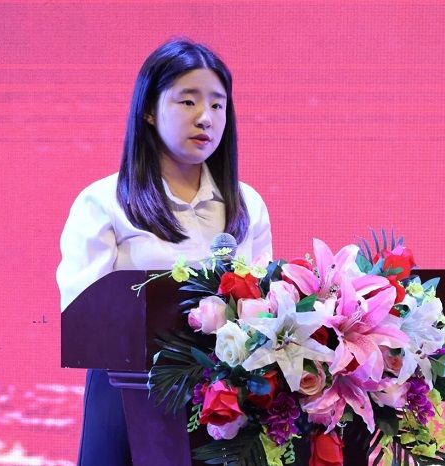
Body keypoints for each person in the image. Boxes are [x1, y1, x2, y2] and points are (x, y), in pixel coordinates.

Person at [56, 39, 273, 465]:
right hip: (126, 397)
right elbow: (84, 316)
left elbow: (263, 309)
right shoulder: (103, 203)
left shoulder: (246, 204)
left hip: (223, 405)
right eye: (188, 101)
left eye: (217, 105)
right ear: (150, 111)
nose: (205, 117)